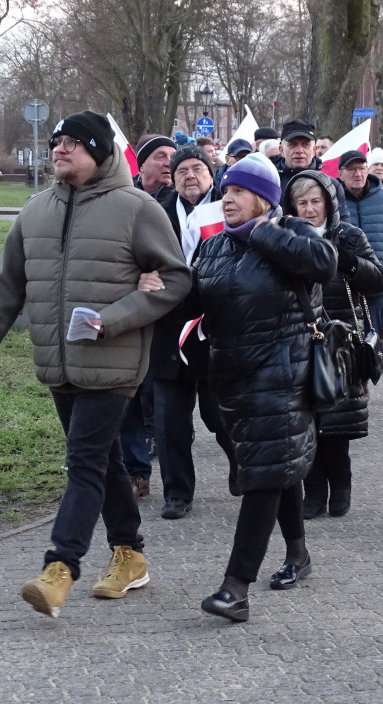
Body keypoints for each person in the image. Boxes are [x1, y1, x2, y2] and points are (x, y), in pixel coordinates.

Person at [0, 111, 191, 617]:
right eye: (56, 142)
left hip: (114, 364)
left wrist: (116, 317)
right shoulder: (35, 210)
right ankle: (130, 555)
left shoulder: (137, 208)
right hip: (57, 363)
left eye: (73, 143)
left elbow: (176, 279)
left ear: (100, 152)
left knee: (83, 462)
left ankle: (59, 568)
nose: (60, 150)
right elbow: (5, 286)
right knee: (104, 459)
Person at [191, 153, 337, 622]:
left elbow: (324, 263)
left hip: (284, 377)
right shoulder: (214, 246)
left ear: (264, 198)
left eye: (237, 191)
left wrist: (262, 231)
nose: (226, 199)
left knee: (264, 478)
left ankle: (236, 589)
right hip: (233, 382)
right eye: (225, 191)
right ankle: (299, 554)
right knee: (278, 468)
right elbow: (191, 298)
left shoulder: (294, 233)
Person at [283, 170, 383, 519]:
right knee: (307, 422)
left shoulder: (349, 235)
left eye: (316, 201)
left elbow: (378, 280)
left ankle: (341, 484)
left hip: (341, 343)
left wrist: (345, 260)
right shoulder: (285, 238)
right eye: (303, 203)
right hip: (299, 342)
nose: (310, 209)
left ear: (328, 203)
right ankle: (313, 491)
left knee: (337, 425)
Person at [151, 144, 235, 520]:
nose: (190, 176)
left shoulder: (227, 209)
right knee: (169, 421)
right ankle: (177, 493)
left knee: (219, 415)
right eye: (182, 169)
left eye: (197, 169)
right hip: (168, 328)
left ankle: (241, 463)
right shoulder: (156, 212)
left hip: (213, 328)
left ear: (211, 174)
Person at [338, 150, 383, 370]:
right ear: (340, 174)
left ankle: (366, 379)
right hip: (342, 282)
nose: (358, 173)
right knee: (345, 337)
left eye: (361, 168)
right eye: (351, 169)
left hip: (377, 281)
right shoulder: (334, 201)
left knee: (371, 337)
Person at [134, 134, 177, 198]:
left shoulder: (183, 199)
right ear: (142, 166)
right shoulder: (125, 195)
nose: (169, 163)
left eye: (173, 157)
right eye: (161, 157)